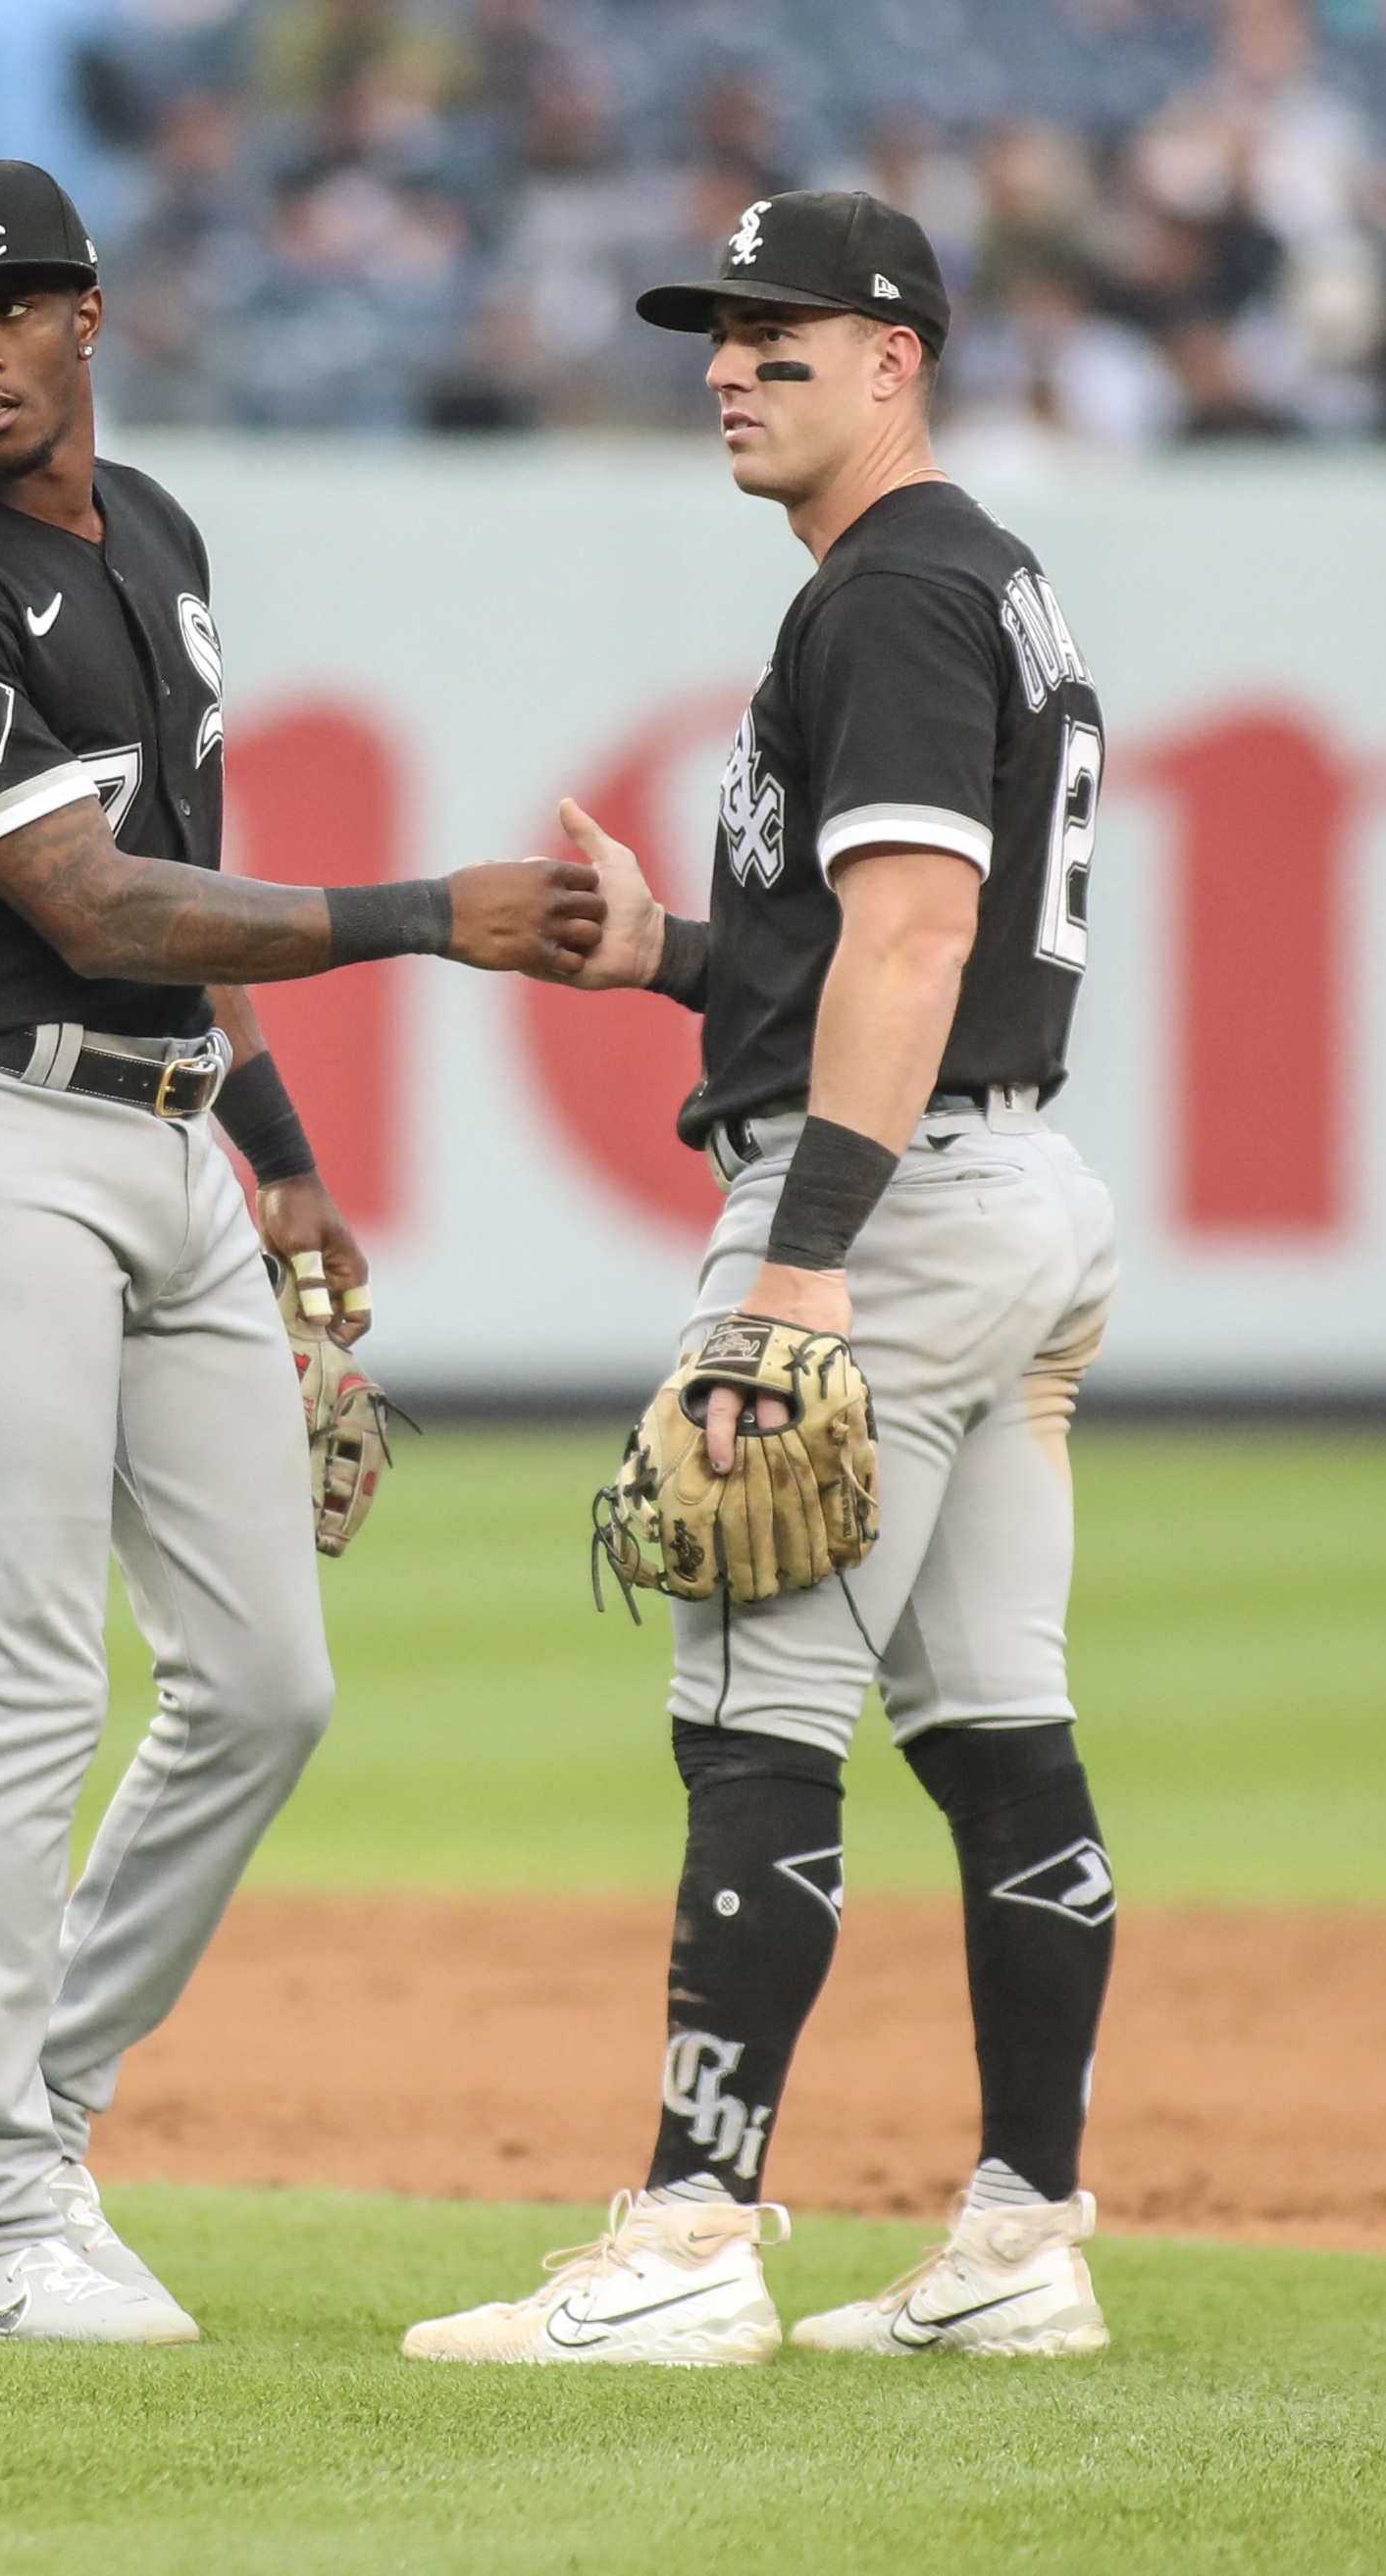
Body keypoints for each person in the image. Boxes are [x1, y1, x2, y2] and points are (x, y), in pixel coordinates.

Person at [0, 157, 603, 2344]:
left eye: (3, 306)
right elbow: (96, 907)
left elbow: (184, 871)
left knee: (262, 1682)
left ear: (88, 311)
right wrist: (424, 914)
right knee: (27, 1678)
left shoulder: (149, 532)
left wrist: (274, 1150)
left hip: (162, 1145)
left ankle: (17, 2106)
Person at [404, 189, 1122, 2367]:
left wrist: (797, 1268)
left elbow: (911, 943)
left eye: (779, 332)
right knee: (996, 1721)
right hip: (1008, 1191)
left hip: (881, 1216)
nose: (728, 362)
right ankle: (1019, 2232)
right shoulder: (967, 576)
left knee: (751, 1715)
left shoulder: (889, 590)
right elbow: (874, 954)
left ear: (893, 357)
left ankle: (691, 2233)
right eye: (715, 331)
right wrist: (666, 959)